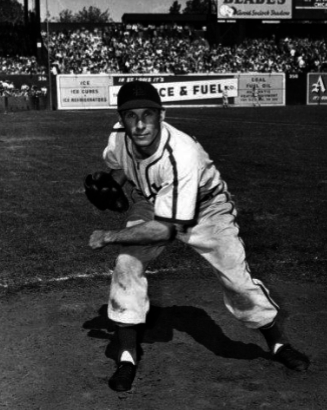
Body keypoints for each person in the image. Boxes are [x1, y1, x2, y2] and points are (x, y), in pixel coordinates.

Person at [89, 80, 310, 392]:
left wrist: (110, 236)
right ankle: (127, 356)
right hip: (151, 201)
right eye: (130, 115)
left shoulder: (182, 154)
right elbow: (120, 167)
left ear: (161, 115)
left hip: (207, 209)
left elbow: (165, 229)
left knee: (236, 281)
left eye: (148, 114)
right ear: (120, 118)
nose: (139, 124)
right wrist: (112, 183)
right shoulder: (117, 138)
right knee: (128, 263)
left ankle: (278, 344)